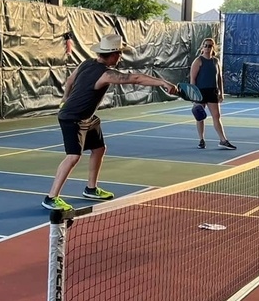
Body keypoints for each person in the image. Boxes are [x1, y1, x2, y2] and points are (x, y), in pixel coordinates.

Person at [43, 34, 179, 211]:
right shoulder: (106, 74)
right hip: (72, 118)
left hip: (88, 117)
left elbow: (70, 80)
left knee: (99, 148)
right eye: (119, 54)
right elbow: (135, 78)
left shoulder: (86, 63)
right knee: (73, 156)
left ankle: (91, 189)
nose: (120, 57)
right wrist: (162, 82)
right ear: (113, 54)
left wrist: (64, 99)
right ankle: (51, 197)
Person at [190, 37, 236, 150]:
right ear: (202, 47)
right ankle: (201, 140)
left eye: (210, 45)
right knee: (200, 116)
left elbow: (219, 77)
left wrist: (221, 92)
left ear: (213, 47)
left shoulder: (216, 61)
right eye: (205, 45)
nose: (207, 47)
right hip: (200, 92)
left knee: (217, 116)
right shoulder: (198, 61)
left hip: (212, 91)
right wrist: (193, 94)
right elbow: (193, 78)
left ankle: (223, 140)